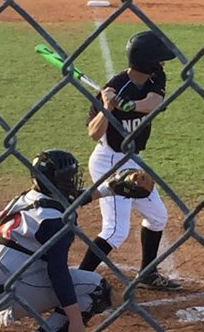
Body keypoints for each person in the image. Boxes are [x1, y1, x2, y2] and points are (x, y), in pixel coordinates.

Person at [0, 148, 114, 332]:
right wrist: (76, 321)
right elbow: (57, 272)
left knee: (22, 260)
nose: (72, 182)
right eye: (68, 178)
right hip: (6, 292)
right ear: (56, 181)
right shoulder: (56, 220)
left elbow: (66, 201)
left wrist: (109, 189)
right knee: (97, 289)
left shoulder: (24, 198)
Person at [78, 30, 183, 291]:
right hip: (108, 161)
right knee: (115, 231)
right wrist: (108, 107)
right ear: (147, 61)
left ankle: (147, 273)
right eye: (159, 59)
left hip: (132, 160)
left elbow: (153, 103)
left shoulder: (155, 76)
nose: (163, 63)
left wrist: (128, 106)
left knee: (158, 216)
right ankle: (77, 280)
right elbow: (94, 132)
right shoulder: (112, 88)